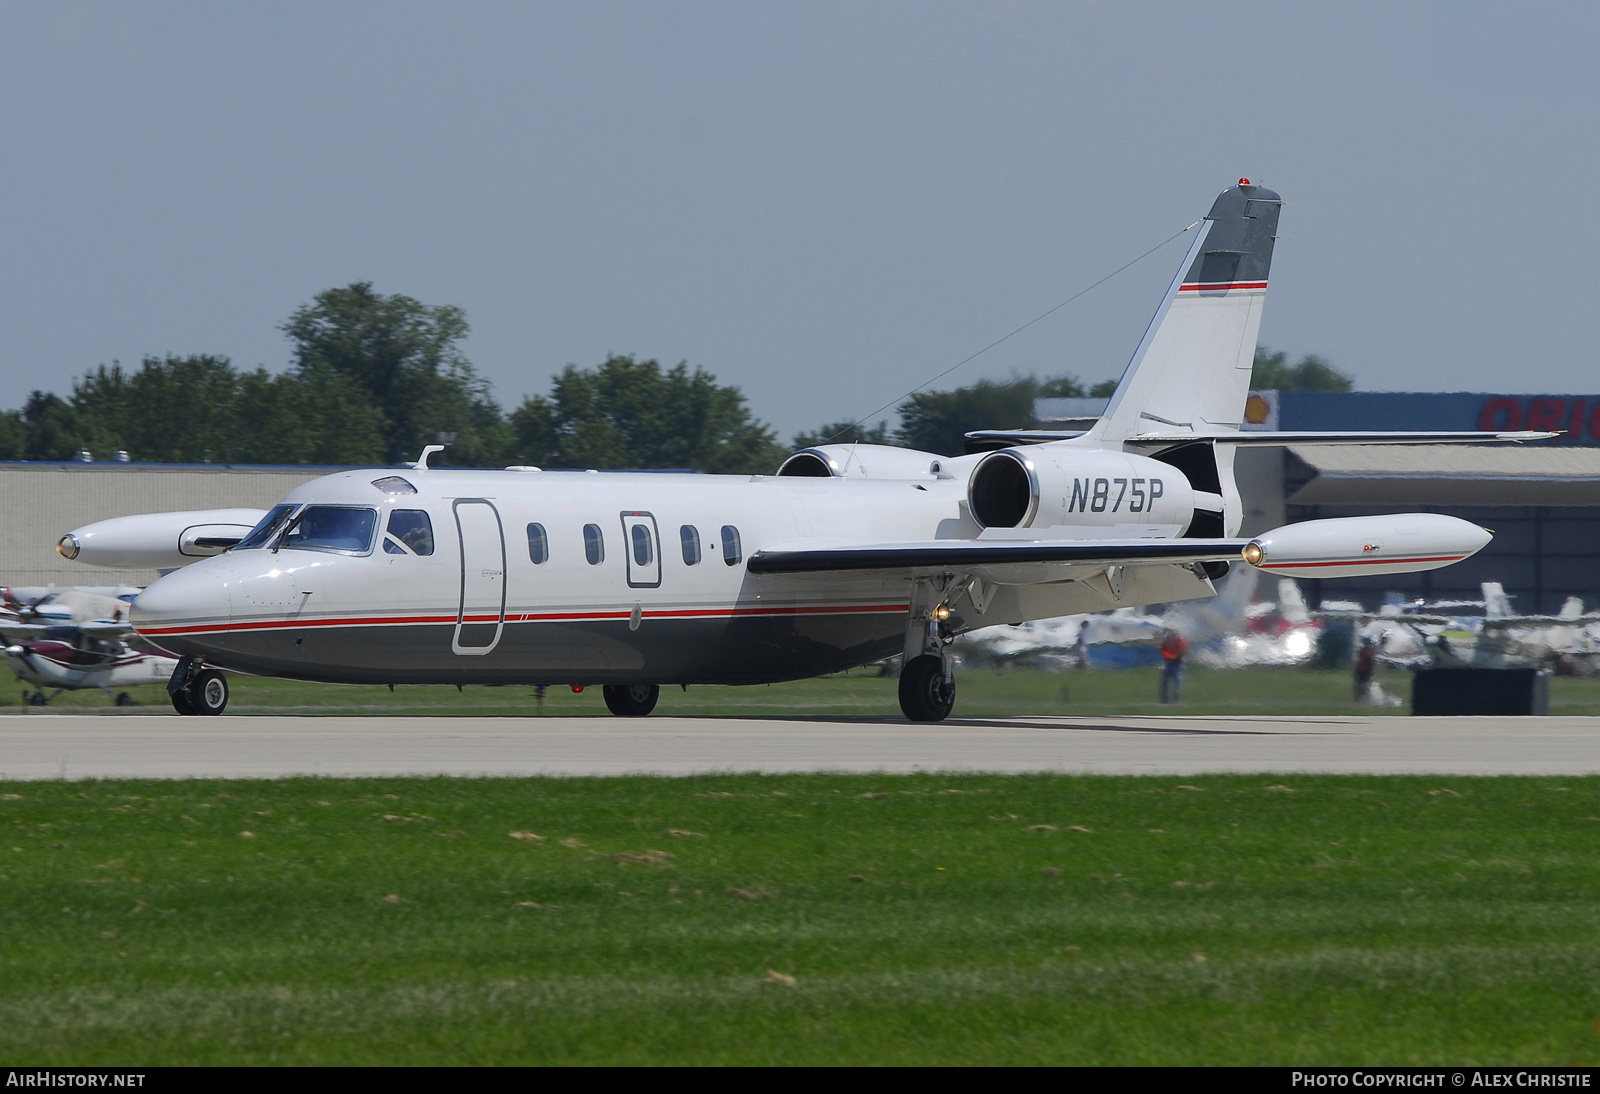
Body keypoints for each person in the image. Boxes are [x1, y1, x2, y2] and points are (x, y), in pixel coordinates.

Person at [1159, 629, 1188, 704]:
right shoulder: (1167, 641)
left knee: (1176, 682)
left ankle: (1175, 700)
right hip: (1169, 663)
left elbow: (1182, 651)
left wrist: (1173, 656)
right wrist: (1168, 656)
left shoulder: (1179, 641)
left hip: (1177, 663)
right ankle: (1165, 700)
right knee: (1165, 682)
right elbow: (1162, 650)